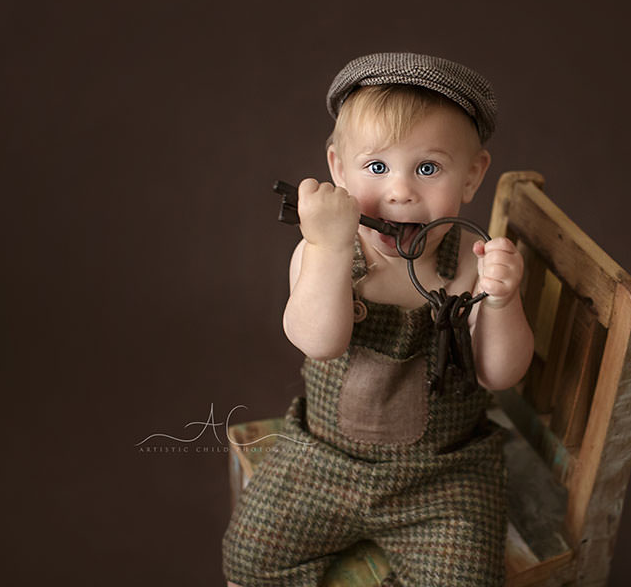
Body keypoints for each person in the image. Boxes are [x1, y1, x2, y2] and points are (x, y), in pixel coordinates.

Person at [222, 52, 534, 587]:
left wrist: (502, 303)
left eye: (428, 168)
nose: (400, 191)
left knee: (467, 580)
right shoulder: (324, 253)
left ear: (471, 176)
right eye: (376, 167)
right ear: (339, 170)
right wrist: (328, 248)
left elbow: (498, 376)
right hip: (324, 461)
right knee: (252, 555)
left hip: (444, 475)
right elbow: (320, 342)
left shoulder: (474, 261)